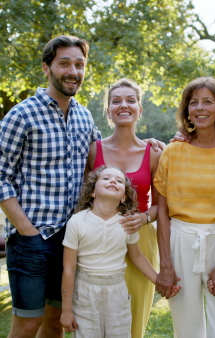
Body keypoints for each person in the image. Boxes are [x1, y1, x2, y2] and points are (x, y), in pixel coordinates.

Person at [0, 35, 100, 338]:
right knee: (27, 324)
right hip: (31, 240)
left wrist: (151, 147)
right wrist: (26, 230)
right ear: (46, 68)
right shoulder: (22, 114)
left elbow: (105, 158)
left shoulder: (84, 116)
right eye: (64, 63)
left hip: (72, 240)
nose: (73, 71)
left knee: (56, 322)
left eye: (79, 64)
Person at [154, 77, 215, 338]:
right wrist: (165, 264)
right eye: (193, 102)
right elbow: (162, 212)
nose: (199, 108)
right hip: (180, 241)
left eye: (207, 101)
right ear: (186, 111)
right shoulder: (173, 152)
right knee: (186, 330)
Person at [60, 166, 179, 337]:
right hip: (86, 293)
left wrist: (158, 280)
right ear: (93, 191)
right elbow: (69, 269)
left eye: (119, 180)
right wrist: (66, 310)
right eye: (106, 178)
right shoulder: (77, 222)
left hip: (117, 292)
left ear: (124, 197)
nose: (113, 181)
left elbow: (137, 256)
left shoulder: (126, 223)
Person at [86, 79, 161, 338]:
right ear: (108, 111)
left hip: (141, 242)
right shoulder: (93, 149)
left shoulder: (153, 153)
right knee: (97, 319)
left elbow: (161, 206)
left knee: (134, 321)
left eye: (130, 100)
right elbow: (84, 198)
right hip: (98, 243)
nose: (123, 105)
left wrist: (142, 218)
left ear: (140, 109)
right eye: (116, 101)